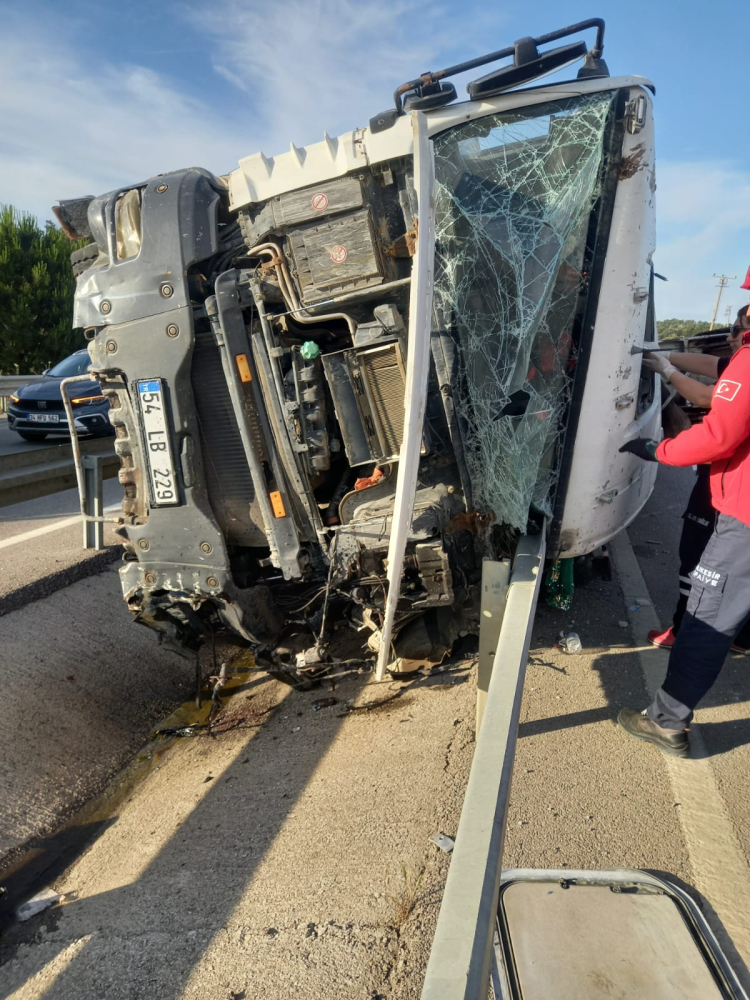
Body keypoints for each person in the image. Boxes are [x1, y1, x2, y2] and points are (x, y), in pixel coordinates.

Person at [617, 295, 750, 757]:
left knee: (705, 617)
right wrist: (660, 355)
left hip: (746, 522)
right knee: (737, 604)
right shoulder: (742, 360)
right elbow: (720, 367)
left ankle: (667, 722)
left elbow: (718, 433)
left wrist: (660, 450)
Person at [643, 306, 750, 652]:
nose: (730, 337)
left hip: (729, 483)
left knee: (696, 551)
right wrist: (666, 355)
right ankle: (742, 638)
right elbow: (711, 365)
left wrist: (668, 370)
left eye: (737, 330)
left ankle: (682, 630)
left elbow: (708, 399)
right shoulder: (738, 361)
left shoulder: (746, 362)